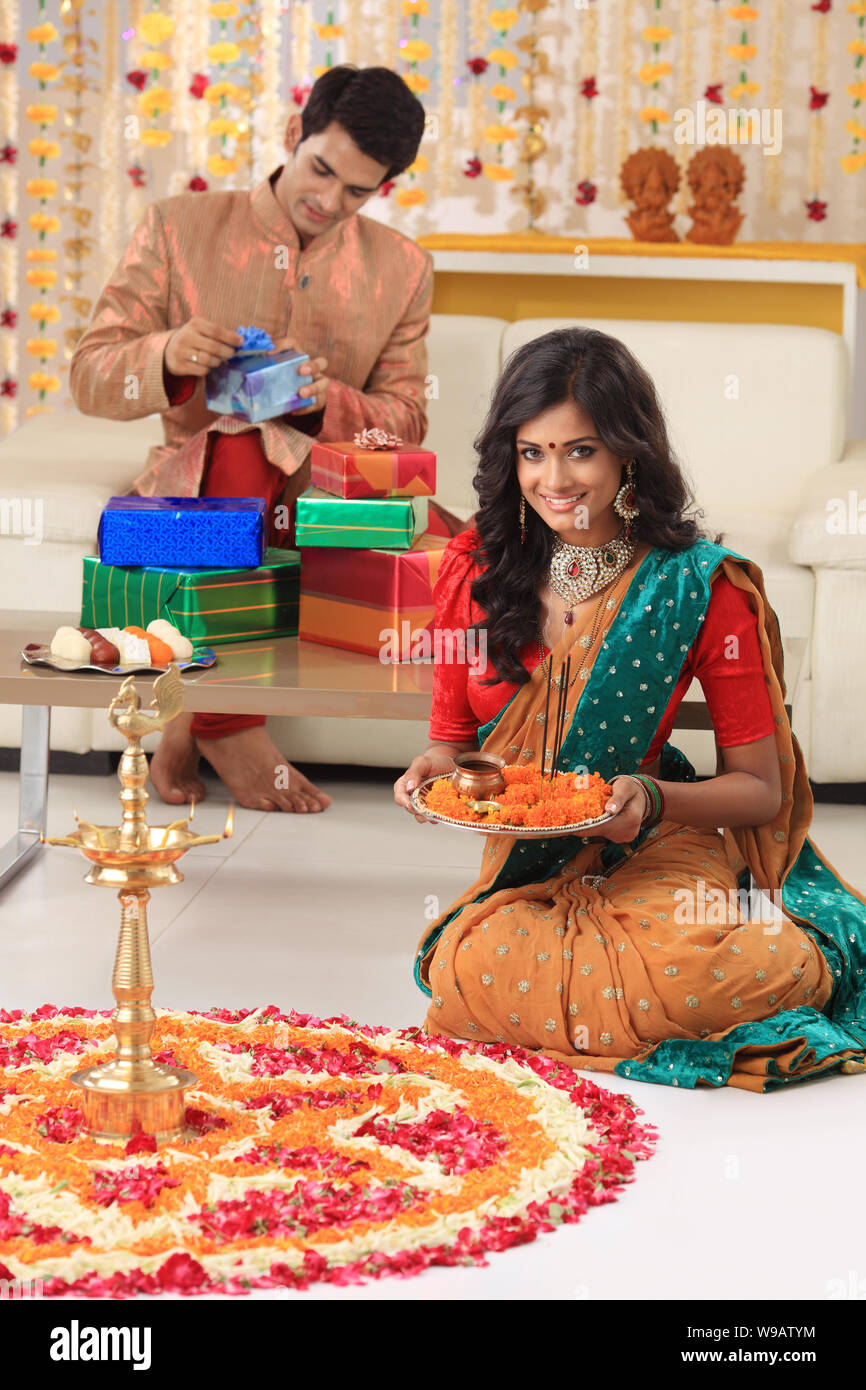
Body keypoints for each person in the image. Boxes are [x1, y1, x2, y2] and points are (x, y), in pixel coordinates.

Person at [394, 326, 866, 1092]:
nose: (555, 479)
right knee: (468, 963)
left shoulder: (698, 585)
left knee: (698, 969)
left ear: (628, 452)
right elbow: (450, 745)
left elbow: (761, 789)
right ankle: (604, 1008)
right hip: (528, 865)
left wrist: (649, 800)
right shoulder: (473, 569)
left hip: (656, 838)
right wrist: (429, 773)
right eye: (532, 452)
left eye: (580, 450)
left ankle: (624, 1001)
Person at [70, 65, 434, 814]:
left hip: (328, 498)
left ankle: (190, 720)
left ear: (383, 188)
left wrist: (323, 403)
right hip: (203, 496)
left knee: (477, 562)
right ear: (292, 135)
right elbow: (90, 376)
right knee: (241, 443)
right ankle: (231, 725)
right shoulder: (178, 227)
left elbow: (405, 420)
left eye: (358, 191)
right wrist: (167, 354)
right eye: (321, 170)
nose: (329, 202)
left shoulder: (402, 268)